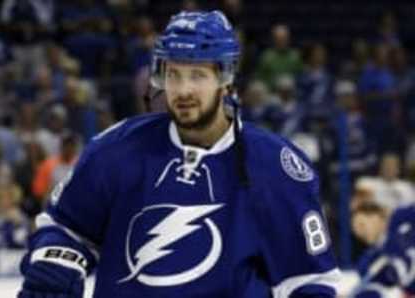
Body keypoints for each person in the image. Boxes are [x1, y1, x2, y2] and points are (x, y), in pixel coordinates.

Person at [18, 10, 340, 298]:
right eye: (174, 74)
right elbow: (65, 227)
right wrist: (57, 258)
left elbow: (309, 280)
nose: (183, 90)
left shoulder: (275, 167)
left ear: (225, 80)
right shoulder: (116, 150)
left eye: (198, 75)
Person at [351, 201, 415, 297]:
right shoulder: (368, 261)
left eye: (362, 224)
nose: (359, 232)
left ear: (377, 217)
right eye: (355, 228)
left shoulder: (403, 216)